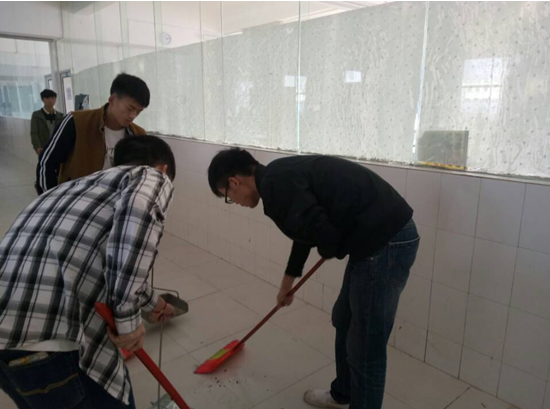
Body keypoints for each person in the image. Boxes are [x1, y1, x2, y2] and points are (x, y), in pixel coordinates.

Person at [208, 148, 420, 409]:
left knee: (366, 348)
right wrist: (287, 283)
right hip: (372, 241)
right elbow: (305, 232)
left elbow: (324, 235)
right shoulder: (276, 178)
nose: (235, 202)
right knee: (343, 319)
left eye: (228, 197)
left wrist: (329, 246)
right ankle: (343, 394)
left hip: (387, 241)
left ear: (234, 182)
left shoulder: (276, 183)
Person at [0, 135, 177, 409]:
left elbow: (110, 261)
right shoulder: (150, 176)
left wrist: (154, 304)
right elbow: (133, 230)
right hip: (50, 342)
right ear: (164, 169)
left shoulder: (68, 189)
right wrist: (129, 324)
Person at [36, 73, 150, 195]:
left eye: (139, 111)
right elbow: (47, 163)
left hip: (116, 202)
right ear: (112, 100)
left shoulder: (138, 135)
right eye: (130, 108)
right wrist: (50, 199)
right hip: (75, 199)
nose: (133, 116)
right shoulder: (77, 122)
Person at [30, 89, 64, 156]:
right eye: (47, 98)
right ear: (43, 100)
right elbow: (34, 133)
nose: (50, 100)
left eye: (53, 98)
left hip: (57, 147)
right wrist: (37, 146)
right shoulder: (36, 115)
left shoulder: (60, 116)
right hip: (43, 148)